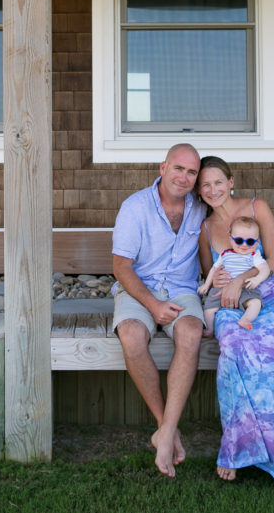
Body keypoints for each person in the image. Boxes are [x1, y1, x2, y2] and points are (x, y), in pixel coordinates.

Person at [196, 155, 274, 498]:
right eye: (205, 185)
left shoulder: (256, 207)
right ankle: (237, 448)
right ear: (199, 192)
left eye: (218, 182)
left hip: (270, 293)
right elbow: (209, 274)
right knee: (234, 348)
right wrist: (222, 287)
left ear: (231, 182)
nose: (212, 189)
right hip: (230, 303)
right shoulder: (204, 229)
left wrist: (242, 280)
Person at [111, 143, 206, 478]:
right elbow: (121, 266)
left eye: (192, 172)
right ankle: (166, 426)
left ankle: (164, 433)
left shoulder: (199, 206)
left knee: (192, 332)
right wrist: (151, 304)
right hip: (139, 288)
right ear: (163, 167)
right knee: (132, 336)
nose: (184, 177)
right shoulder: (135, 207)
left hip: (182, 289)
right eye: (178, 168)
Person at [197, 215, 271, 334]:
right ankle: (210, 329)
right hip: (220, 289)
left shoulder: (253, 256)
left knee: (255, 303)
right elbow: (213, 269)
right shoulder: (225, 254)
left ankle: (245, 320)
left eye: (250, 241)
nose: (244, 245)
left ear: (257, 242)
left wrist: (257, 279)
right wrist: (206, 285)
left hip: (245, 289)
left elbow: (265, 268)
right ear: (231, 239)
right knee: (209, 309)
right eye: (239, 240)